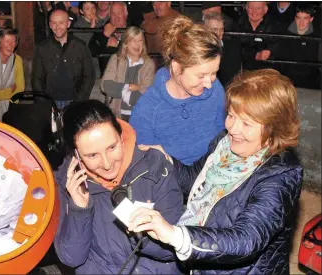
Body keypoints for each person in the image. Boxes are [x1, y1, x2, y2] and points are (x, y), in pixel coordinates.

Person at [128, 69, 303, 275]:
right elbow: (194, 179)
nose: (233, 129)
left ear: (274, 127)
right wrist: (167, 159)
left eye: (247, 123)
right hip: (203, 263)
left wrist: (175, 235)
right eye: (231, 115)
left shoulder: (282, 174)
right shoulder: (224, 143)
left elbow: (246, 239)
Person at [53, 100, 184, 274]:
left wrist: (144, 233)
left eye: (112, 147)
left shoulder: (155, 167)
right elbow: (71, 258)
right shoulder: (68, 183)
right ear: (76, 155)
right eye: (92, 155)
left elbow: (174, 248)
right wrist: (79, 210)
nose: (107, 164)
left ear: (121, 136)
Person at [129, 15, 225, 165]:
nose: (208, 83)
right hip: (172, 183)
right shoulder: (147, 111)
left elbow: (222, 137)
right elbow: (144, 168)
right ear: (176, 67)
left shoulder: (216, 89)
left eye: (213, 73)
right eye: (201, 75)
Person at [31, 9, 95, 109]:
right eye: (54, 23)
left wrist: (79, 102)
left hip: (75, 102)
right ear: (50, 25)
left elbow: (89, 76)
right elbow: (37, 79)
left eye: (61, 22)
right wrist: (43, 103)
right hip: (49, 102)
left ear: (68, 24)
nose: (57, 27)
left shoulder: (80, 46)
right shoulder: (42, 48)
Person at [101, 26, 155, 122]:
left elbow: (147, 92)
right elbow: (106, 86)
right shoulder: (116, 59)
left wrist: (121, 91)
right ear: (126, 43)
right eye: (134, 41)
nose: (138, 44)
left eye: (140, 41)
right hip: (116, 115)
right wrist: (131, 87)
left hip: (141, 116)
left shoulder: (148, 64)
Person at [278, 3, 320, 89]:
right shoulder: (283, 32)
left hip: (311, 80)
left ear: (311, 19)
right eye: (298, 18)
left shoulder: (318, 34)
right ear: (295, 18)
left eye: (305, 18)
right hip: (287, 79)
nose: (301, 22)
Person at [238, 1, 282, 70]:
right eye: (251, 7)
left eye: (258, 8)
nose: (254, 11)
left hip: (267, 70)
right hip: (242, 69)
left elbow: (274, 52)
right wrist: (256, 55)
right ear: (246, 8)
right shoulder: (237, 24)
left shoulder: (275, 27)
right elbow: (235, 49)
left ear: (265, 10)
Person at [88, 2, 128, 74]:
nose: (116, 17)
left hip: (128, 75)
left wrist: (116, 47)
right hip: (107, 76)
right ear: (109, 15)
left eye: (119, 13)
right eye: (113, 14)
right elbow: (91, 51)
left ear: (126, 14)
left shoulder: (133, 30)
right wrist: (105, 36)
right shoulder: (102, 31)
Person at [204, 12, 242, 87]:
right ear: (205, 29)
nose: (219, 33)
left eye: (222, 29)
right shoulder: (198, 49)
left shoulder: (233, 48)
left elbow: (234, 79)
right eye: (215, 29)